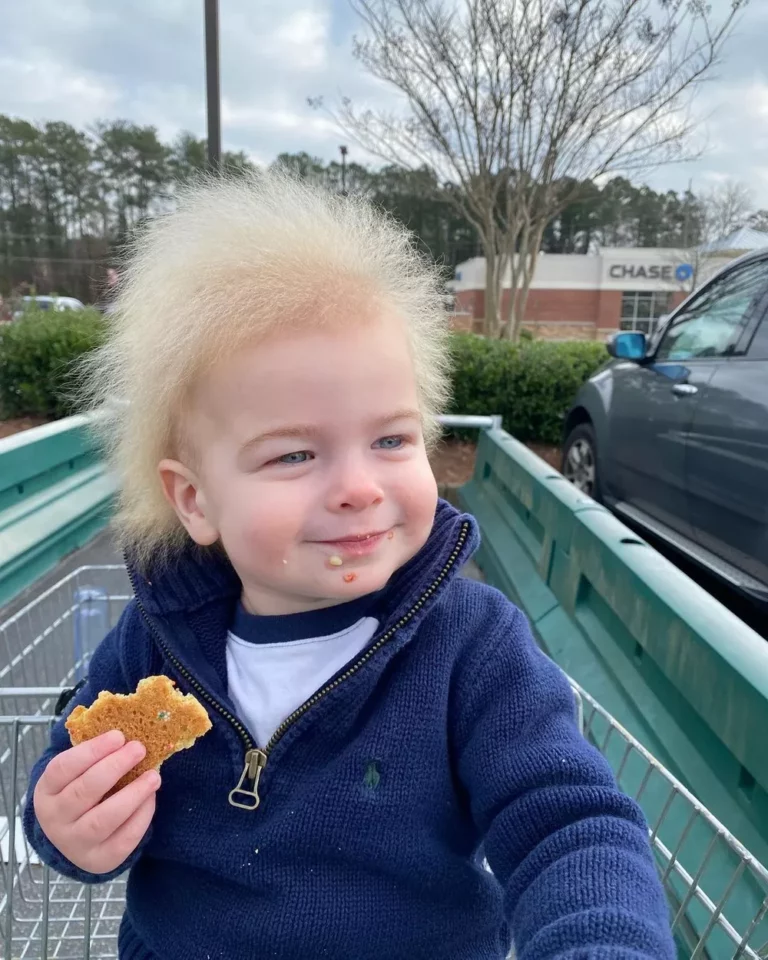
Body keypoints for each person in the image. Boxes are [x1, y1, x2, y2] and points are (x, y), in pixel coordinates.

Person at [24, 170, 676, 960]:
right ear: (194, 501)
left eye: (392, 440)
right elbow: (75, 782)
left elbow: (570, 823)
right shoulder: (151, 646)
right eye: (296, 453)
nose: (360, 488)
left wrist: (600, 942)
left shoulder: (473, 647)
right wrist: (66, 828)